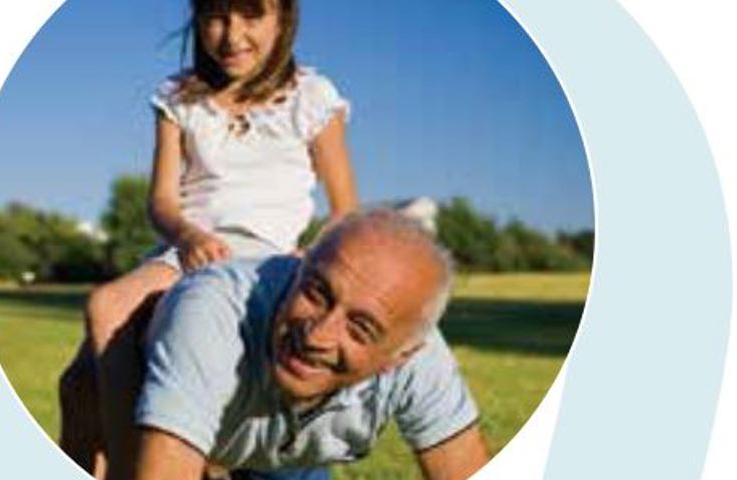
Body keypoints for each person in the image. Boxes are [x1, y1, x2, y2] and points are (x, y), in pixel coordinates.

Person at [59, 0, 357, 477]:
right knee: (87, 360)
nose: (231, 34)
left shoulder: (312, 97)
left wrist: (311, 256)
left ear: (282, 19)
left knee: (99, 367)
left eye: (251, 16)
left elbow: (345, 210)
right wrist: (188, 235)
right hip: (188, 249)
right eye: (217, 17)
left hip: (267, 261)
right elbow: (162, 202)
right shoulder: (179, 99)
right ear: (198, 20)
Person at [131, 210, 489, 480]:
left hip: (289, 461)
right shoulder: (214, 308)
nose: (317, 336)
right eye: (317, 293)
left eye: (360, 328)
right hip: (145, 427)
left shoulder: (420, 352)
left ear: (402, 356)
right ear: (298, 265)